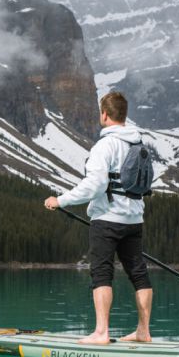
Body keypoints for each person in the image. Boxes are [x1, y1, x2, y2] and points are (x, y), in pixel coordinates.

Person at [43, 91, 153, 344]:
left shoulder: (105, 145)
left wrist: (60, 200)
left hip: (107, 220)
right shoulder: (139, 145)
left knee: (102, 273)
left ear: (104, 114)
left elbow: (95, 185)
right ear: (124, 114)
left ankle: (101, 333)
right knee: (139, 273)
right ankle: (143, 331)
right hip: (135, 219)